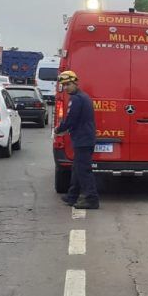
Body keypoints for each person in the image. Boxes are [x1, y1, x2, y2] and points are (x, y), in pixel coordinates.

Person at [54, 70, 99, 210]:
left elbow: (70, 120)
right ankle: (72, 195)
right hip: (84, 138)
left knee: (83, 170)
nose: (66, 88)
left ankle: (91, 199)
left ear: (75, 83)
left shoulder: (77, 99)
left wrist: (58, 129)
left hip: (83, 140)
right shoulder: (82, 97)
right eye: (64, 85)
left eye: (68, 84)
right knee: (77, 169)